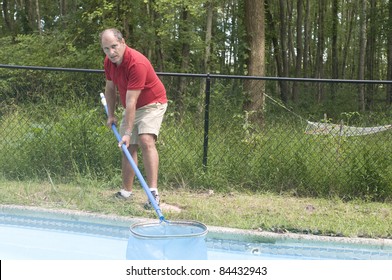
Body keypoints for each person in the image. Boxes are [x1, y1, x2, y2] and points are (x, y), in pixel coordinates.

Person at [100, 28, 167, 208]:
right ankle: (126, 192)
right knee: (127, 149)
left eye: (114, 46)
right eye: (106, 49)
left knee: (145, 140)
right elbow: (110, 89)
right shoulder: (109, 62)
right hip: (132, 106)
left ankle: (153, 193)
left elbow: (131, 102)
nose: (111, 52)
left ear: (123, 42)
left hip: (152, 102)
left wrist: (128, 132)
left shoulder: (136, 63)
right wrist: (111, 115)